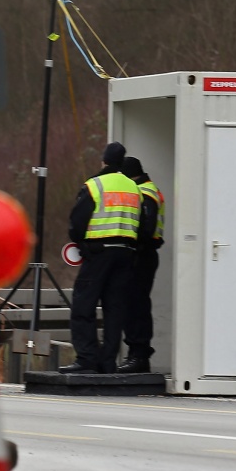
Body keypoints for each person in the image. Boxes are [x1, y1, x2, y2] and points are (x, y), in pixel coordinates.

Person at [59, 141, 142, 374]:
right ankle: (108, 362)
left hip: (98, 253)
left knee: (84, 304)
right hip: (126, 253)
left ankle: (86, 359)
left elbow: (76, 224)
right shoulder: (134, 188)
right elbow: (144, 225)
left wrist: (83, 245)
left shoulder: (95, 185)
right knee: (114, 308)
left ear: (104, 161)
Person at [118, 156, 164, 374]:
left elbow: (146, 228)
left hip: (141, 254)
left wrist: (133, 244)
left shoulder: (144, 192)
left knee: (136, 306)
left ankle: (138, 355)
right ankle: (137, 354)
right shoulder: (148, 189)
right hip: (143, 254)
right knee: (134, 304)